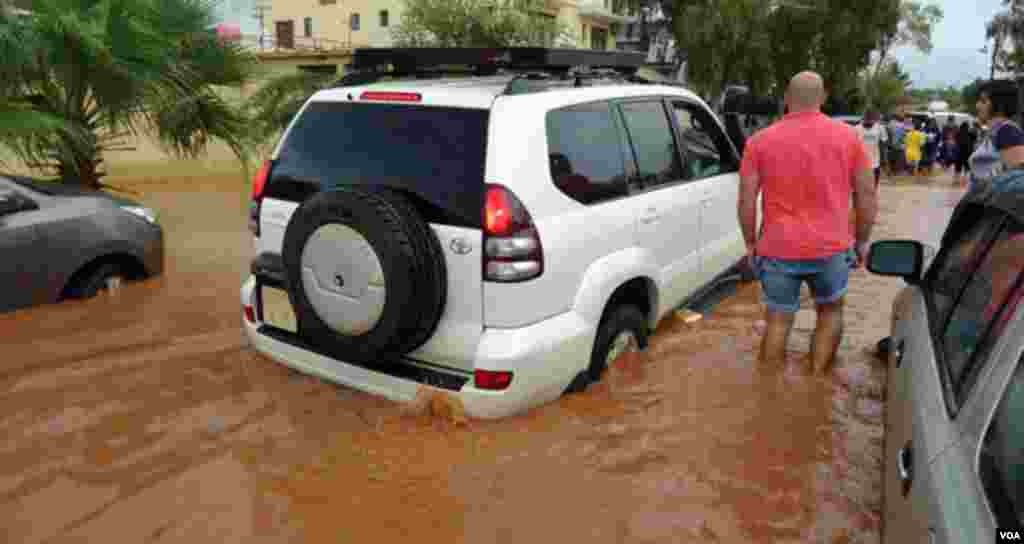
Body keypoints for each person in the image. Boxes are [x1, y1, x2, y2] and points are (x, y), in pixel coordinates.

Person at [737, 71, 877, 374]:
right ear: (823, 98)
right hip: (831, 249)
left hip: (777, 248)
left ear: (786, 98)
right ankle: (816, 380)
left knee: (778, 319)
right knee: (830, 312)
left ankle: (770, 391)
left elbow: (747, 200)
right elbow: (866, 194)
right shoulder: (848, 138)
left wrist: (750, 243)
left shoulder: (759, 141)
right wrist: (862, 240)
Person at [968, 79, 1024, 192]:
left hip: (994, 205)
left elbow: (1019, 178)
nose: (977, 106)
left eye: (983, 101)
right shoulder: (993, 132)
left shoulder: (1007, 131)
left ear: (1000, 105)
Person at [856, 110, 888, 188]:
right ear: (864, 119)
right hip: (860, 161)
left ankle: (873, 193)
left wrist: (884, 159)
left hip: (875, 161)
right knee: (861, 185)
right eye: (868, 119)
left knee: (874, 185)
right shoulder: (856, 129)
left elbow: (883, 144)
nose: (870, 121)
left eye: (872, 119)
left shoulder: (880, 128)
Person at [955, 121, 976, 185]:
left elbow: (956, 140)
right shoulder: (971, 133)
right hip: (968, 152)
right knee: (967, 166)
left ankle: (957, 180)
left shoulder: (958, 133)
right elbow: (975, 138)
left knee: (958, 166)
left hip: (959, 152)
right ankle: (965, 179)